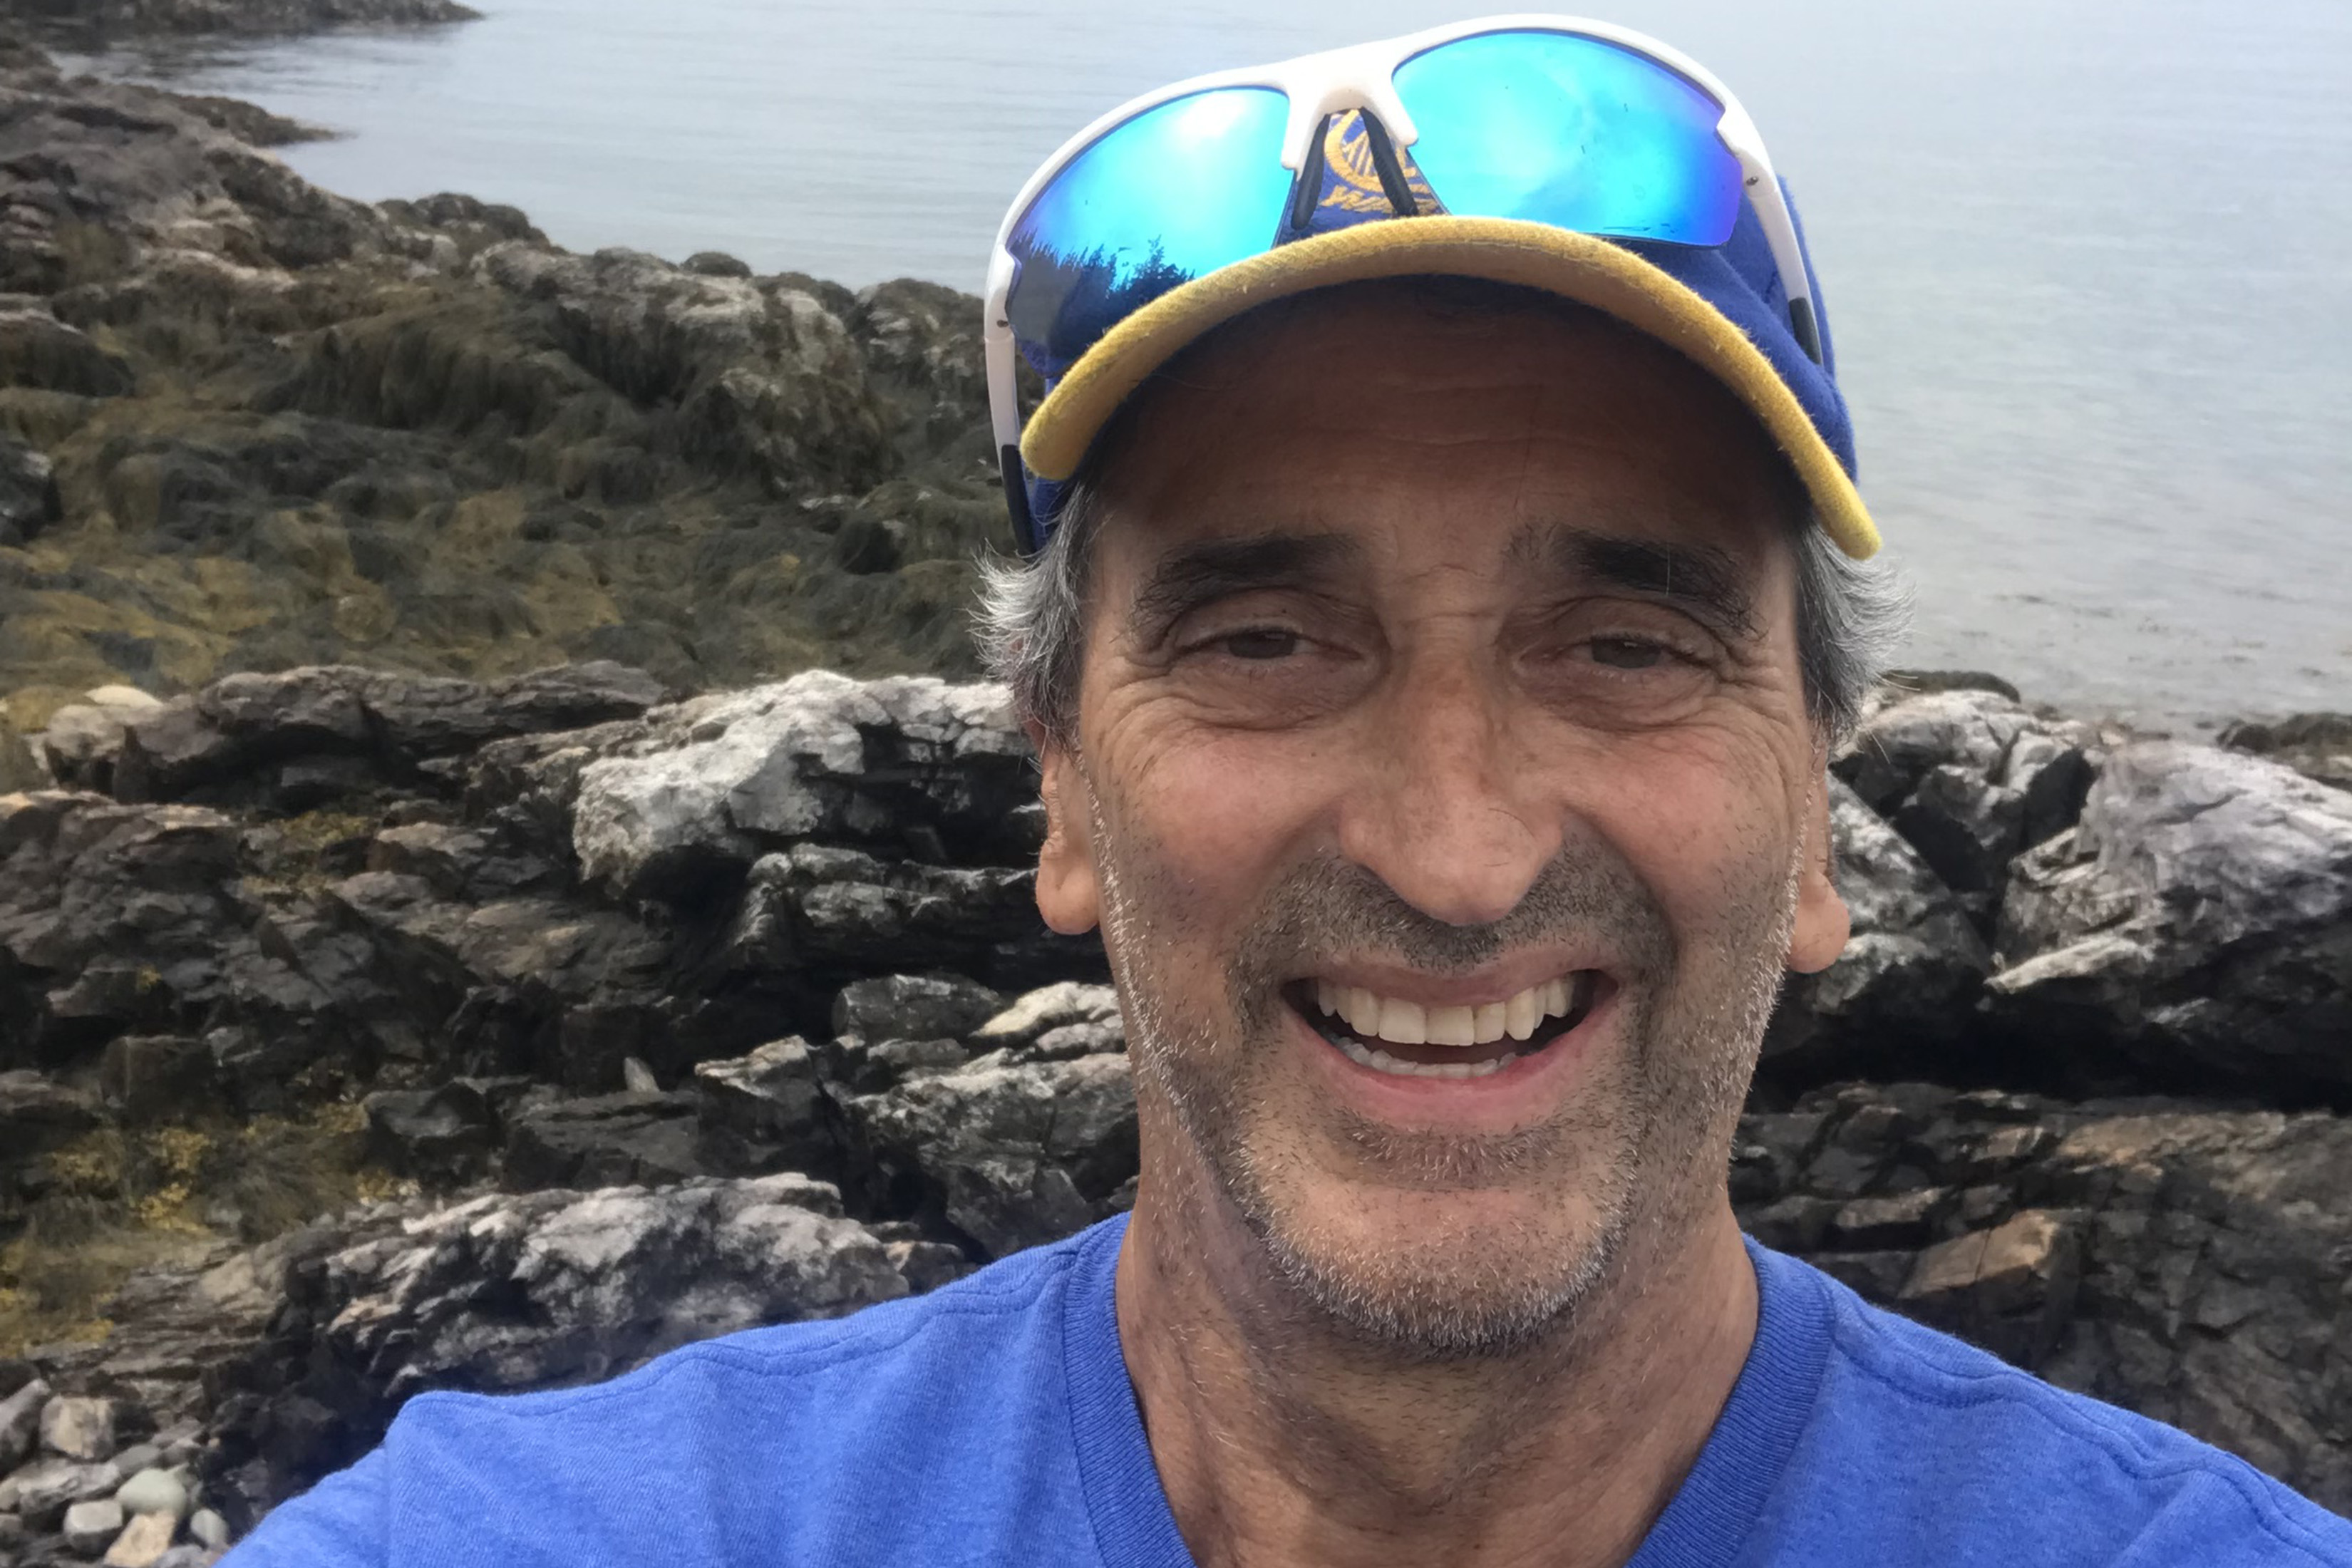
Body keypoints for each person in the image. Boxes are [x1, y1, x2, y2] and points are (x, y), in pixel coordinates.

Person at [227, 18, 2352, 1567]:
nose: (1456, 849)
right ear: (1058, 783)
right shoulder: (541, 1539)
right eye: (1264, 643)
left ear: (1814, 804)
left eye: (1623, 648)